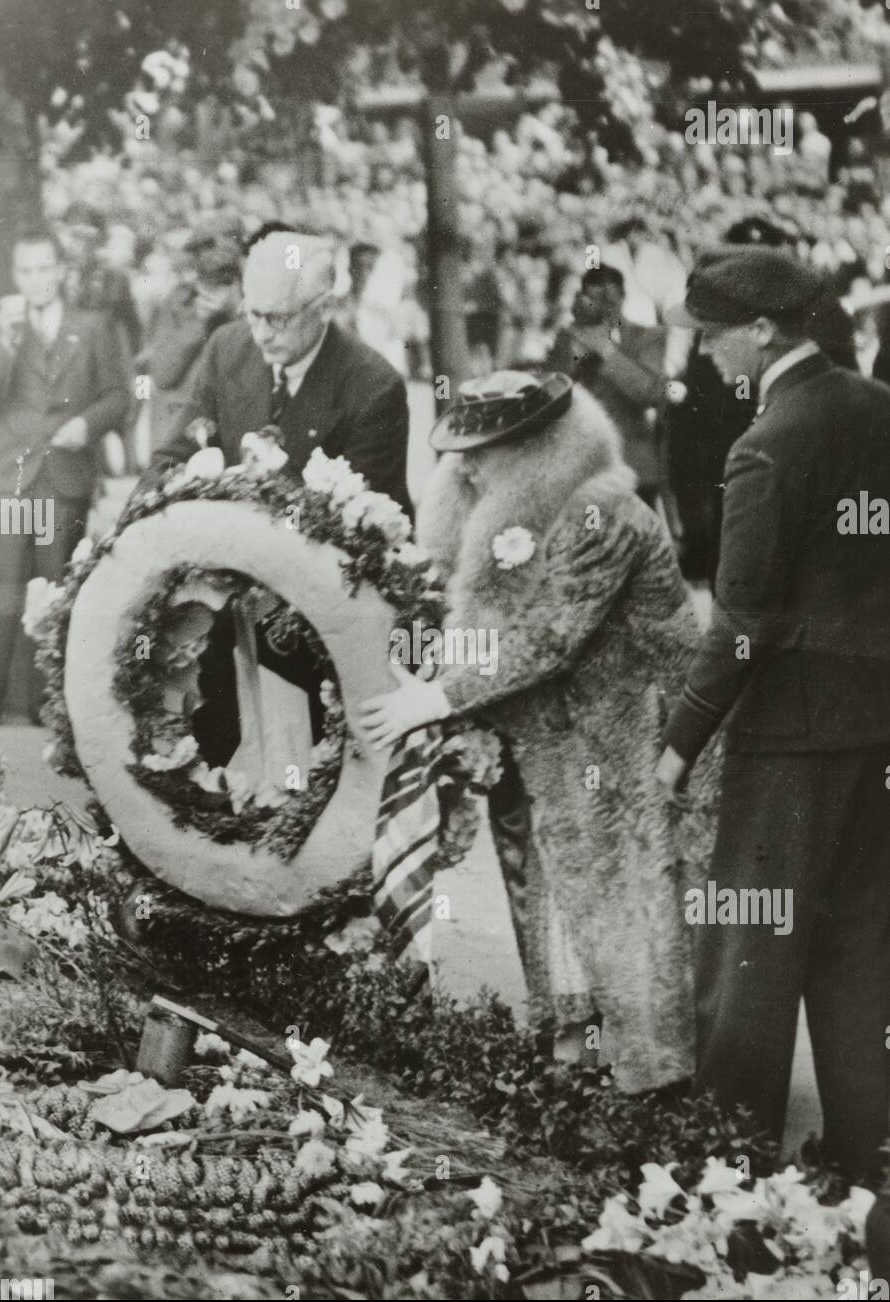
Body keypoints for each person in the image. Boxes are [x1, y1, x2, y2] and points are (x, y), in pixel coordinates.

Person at [360, 371, 717, 1094]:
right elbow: (473, 619)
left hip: (630, 740)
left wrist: (437, 695)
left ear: (535, 447)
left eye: (482, 450)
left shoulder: (603, 513)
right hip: (549, 736)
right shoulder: (491, 505)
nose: (463, 465)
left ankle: (651, 1072)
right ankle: (574, 1047)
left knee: (628, 900)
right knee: (549, 889)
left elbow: (548, 636)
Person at [658, 246, 890, 1179]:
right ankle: (864, 1155)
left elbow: (747, 621)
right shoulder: (880, 410)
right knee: (858, 948)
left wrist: (680, 743)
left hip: (790, 736)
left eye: (713, 334)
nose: (706, 354)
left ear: (760, 329)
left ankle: (727, 1164)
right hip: (877, 729)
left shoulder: (765, 444)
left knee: (750, 949)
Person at [132, 224, 411, 767]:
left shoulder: (373, 386)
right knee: (212, 744)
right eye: (252, 312)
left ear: (325, 306)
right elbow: (175, 453)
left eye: (278, 318)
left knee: (300, 774)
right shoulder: (227, 347)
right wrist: (137, 526)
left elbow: (357, 535)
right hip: (221, 603)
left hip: (318, 620)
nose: (261, 332)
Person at [0, 227, 131, 721]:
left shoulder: (92, 326)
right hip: (13, 480)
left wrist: (87, 423)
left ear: (60, 271)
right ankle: (6, 708)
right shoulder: (5, 328)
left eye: (45, 269)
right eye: (26, 271)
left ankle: (52, 706)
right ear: (16, 275)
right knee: (7, 591)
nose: (37, 281)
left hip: (65, 477)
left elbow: (121, 395)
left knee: (56, 589)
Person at [546, 263, 673, 506]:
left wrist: (606, 351)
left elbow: (652, 393)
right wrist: (574, 359)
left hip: (633, 463)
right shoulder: (567, 339)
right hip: (581, 466)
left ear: (623, 298)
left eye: (610, 301)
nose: (605, 310)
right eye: (596, 300)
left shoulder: (647, 337)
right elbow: (550, 396)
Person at [143, 211, 243, 446]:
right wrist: (199, 322)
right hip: (184, 431)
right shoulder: (179, 303)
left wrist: (236, 311)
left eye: (226, 280)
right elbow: (163, 375)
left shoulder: (254, 306)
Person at [59, 201, 142, 356]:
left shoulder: (115, 280)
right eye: (73, 237)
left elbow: (132, 332)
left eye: (84, 237)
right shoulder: (56, 279)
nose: (77, 245)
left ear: (98, 240)